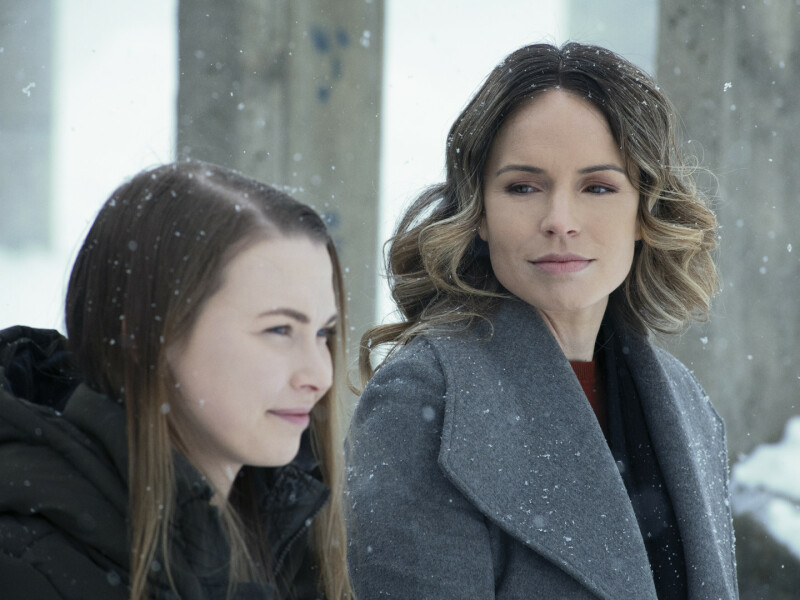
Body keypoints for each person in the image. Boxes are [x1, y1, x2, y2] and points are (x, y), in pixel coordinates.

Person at [347, 42, 738, 599]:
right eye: (523, 187)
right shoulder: (426, 400)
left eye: (597, 187)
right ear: (480, 212)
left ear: (644, 211)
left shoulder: (687, 404)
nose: (560, 220)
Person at [0, 161, 354, 599]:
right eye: (279, 329)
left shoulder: (288, 531)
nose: (319, 376)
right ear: (143, 337)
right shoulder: (28, 570)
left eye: (323, 333)